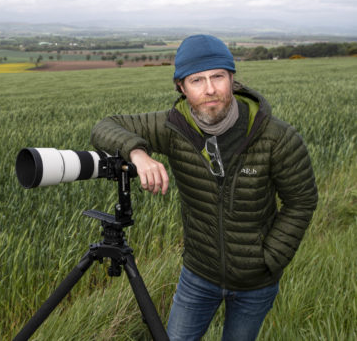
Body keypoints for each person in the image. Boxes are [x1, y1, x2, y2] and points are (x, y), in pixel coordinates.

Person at [90, 34, 318, 341]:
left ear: (233, 80)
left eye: (218, 77)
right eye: (196, 80)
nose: (210, 89)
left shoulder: (276, 137)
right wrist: (137, 152)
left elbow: (301, 201)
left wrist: (268, 259)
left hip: (256, 284)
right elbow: (104, 126)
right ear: (182, 88)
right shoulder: (173, 128)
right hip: (198, 276)